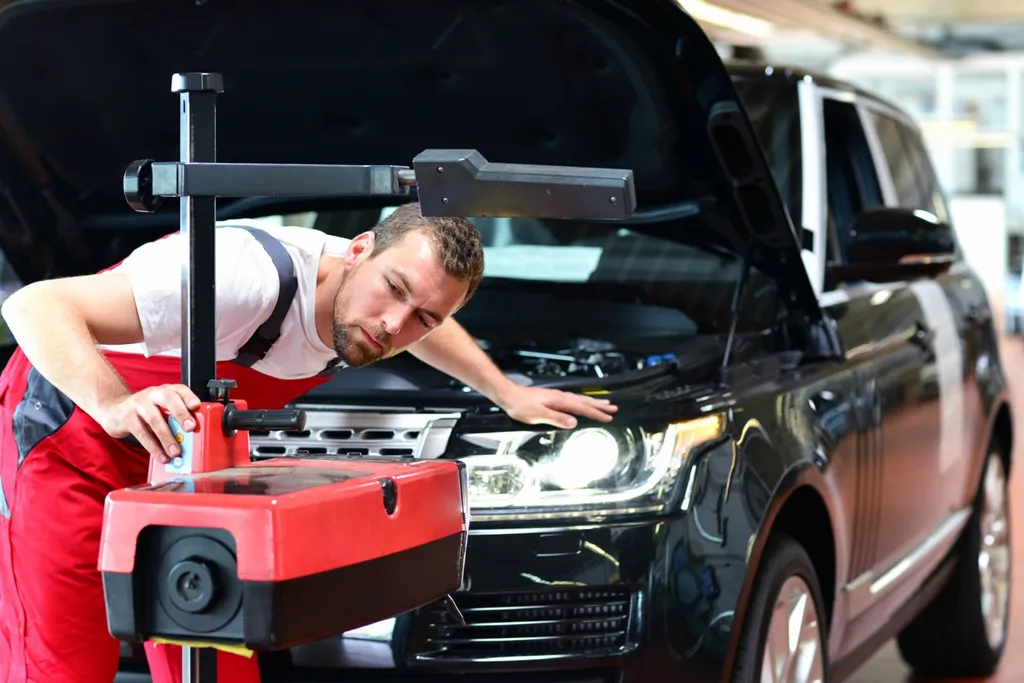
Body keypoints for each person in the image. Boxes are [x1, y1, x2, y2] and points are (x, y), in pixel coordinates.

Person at [0, 202, 618, 683]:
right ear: (358, 250)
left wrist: (506, 391)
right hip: (73, 436)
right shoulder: (242, 276)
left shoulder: (383, 309)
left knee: (213, 650)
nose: (393, 325)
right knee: (66, 661)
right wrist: (113, 403)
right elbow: (35, 305)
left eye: (424, 317)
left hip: (188, 462)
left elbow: (421, 313)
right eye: (394, 289)